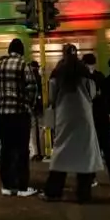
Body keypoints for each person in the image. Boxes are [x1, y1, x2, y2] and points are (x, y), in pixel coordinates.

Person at [44, 45, 103, 202]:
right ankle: (84, 194)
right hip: (84, 116)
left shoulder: (58, 72)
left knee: (61, 152)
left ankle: (53, 191)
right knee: (85, 153)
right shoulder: (84, 71)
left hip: (64, 115)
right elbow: (92, 93)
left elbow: (51, 96)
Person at [0, 39, 39, 197]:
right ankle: (22, 186)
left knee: (5, 150)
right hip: (19, 114)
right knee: (21, 150)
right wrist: (28, 105)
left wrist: (0, 105)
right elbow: (32, 87)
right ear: (21, 50)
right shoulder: (23, 65)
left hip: (4, 115)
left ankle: (7, 185)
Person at [82, 53, 110, 189]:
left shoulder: (82, 78)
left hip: (89, 118)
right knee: (108, 151)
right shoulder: (100, 76)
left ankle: (91, 178)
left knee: (91, 150)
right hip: (102, 117)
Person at [29, 60, 47, 162]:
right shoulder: (41, 78)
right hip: (41, 107)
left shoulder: (29, 78)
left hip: (32, 107)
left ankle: (36, 153)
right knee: (41, 129)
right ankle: (43, 152)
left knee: (33, 130)